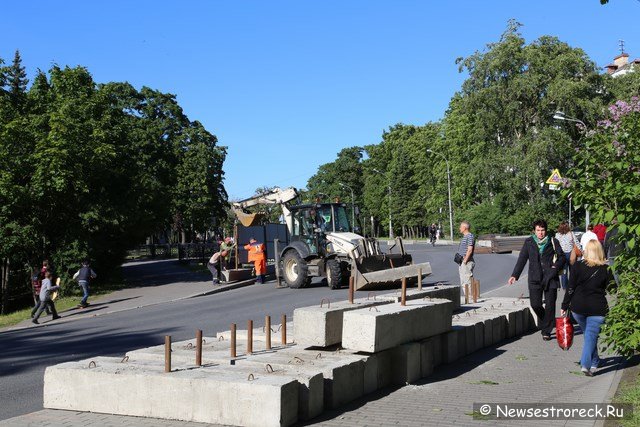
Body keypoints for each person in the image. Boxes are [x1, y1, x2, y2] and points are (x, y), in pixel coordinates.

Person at [561, 240, 615, 376]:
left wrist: (564, 305)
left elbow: (570, 287)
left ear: (587, 251)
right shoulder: (605, 269)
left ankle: (595, 360)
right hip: (597, 309)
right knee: (591, 336)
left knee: (589, 335)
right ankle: (585, 365)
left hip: (578, 308)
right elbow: (613, 289)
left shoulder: (578, 266)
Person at [508, 219, 565, 341]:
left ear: (546, 230)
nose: (540, 233)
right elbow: (522, 259)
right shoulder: (529, 242)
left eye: (542, 230)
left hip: (550, 278)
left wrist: (554, 268)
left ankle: (546, 331)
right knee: (535, 304)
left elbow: (562, 258)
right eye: (538, 230)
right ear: (534, 231)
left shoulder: (553, 241)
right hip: (535, 278)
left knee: (550, 305)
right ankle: (548, 322)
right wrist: (515, 275)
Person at [555, 221, 577, 290]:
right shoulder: (571, 233)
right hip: (571, 254)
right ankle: (572, 284)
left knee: (563, 271)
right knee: (572, 270)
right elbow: (576, 243)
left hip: (561, 255)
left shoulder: (557, 235)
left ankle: (565, 286)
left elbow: (555, 245)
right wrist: (582, 251)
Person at [457, 221, 475, 300]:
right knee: (463, 281)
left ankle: (471, 297)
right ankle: (467, 297)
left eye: (460, 227)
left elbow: (470, 249)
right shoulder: (465, 237)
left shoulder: (469, 236)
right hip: (461, 262)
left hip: (466, 262)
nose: (459, 228)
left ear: (464, 228)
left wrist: (465, 261)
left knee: (467, 281)